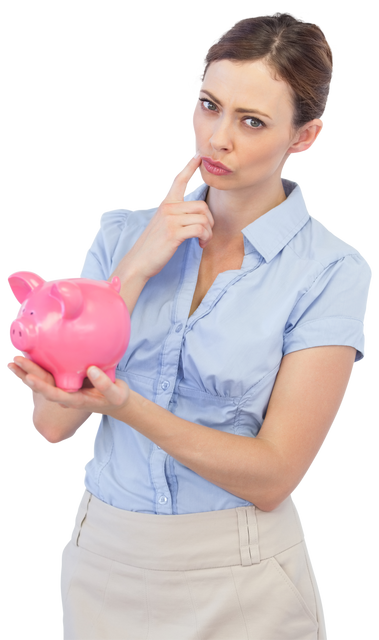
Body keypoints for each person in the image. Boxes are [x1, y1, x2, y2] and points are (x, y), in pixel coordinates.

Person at [5, 10, 374, 640]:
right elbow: (53, 424)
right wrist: (135, 272)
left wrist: (123, 405)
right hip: (104, 559)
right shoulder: (121, 234)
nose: (217, 138)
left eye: (252, 121)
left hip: (240, 575)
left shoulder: (331, 269)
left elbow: (273, 475)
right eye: (209, 104)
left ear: (305, 136)